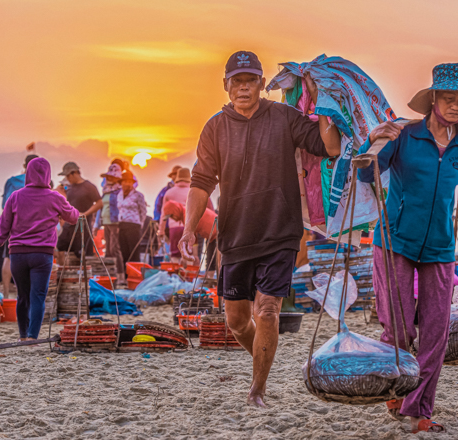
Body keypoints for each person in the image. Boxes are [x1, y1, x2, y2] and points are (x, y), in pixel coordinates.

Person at [179, 50, 340, 407]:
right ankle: (262, 356)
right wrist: (190, 228)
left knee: (266, 311)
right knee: (237, 321)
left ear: (261, 84)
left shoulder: (283, 116)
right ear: (226, 86)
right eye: (237, 81)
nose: (244, 88)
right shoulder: (215, 128)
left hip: (279, 231)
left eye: (251, 80)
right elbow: (201, 182)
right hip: (235, 235)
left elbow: (328, 147)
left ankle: (257, 389)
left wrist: (325, 100)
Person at [357, 62, 458, 433]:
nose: (456, 106)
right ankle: (395, 389)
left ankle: (419, 411)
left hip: (440, 247)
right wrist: (372, 139)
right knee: (399, 330)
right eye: (449, 98)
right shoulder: (404, 135)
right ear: (433, 99)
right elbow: (362, 172)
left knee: (436, 332)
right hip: (394, 241)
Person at [0, 158, 79, 341]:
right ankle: (33, 337)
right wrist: (64, 199)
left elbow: (2, 227)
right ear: (48, 175)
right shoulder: (55, 197)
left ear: (28, 173)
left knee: (22, 296)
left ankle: (23, 337)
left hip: (18, 254)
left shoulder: (15, 196)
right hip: (43, 255)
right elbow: (73, 217)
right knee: (38, 296)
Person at [0, 154, 39, 297]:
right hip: (34, 225)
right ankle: (25, 292)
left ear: (24, 166)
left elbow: (5, 205)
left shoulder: (12, 181)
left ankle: (5, 294)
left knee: (8, 257)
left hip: (14, 223)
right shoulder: (42, 182)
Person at [56, 162, 102, 258]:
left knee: (81, 253)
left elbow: (99, 203)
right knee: (60, 246)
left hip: (83, 226)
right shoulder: (69, 187)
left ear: (74, 173)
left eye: (68, 176)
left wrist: (85, 213)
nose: (68, 179)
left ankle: (81, 271)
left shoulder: (89, 186)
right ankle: (62, 271)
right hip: (69, 225)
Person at [94, 163, 124, 283]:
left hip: (115, 223)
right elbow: (100, 208)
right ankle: (110, 276)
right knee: (108, 250)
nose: (110, 179)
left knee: (115, 249)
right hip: (105, 222)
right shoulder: (105, 191)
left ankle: (121, 275)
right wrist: (96, 225)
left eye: (113, 177)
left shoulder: (120, 192)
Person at [158, 167, 191, 261]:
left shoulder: (169, 193)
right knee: (188, 254)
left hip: (174, 228)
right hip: (189, 227)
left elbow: (164, 214)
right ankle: (188, 274)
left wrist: (161, 231)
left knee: (175, 255)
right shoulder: (192, 192)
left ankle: (175, 275)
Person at [117, 169, 147, 265]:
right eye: (125, 181)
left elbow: (143, 211)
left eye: (129, 182)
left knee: (134, 252)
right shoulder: (119, 195)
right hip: (122, 224)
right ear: (121, 183)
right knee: (124, 252)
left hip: (133, 225)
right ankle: (126, 277)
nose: (127, 184)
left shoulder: (138, 195)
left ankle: (135, 276)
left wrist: (140, 224)